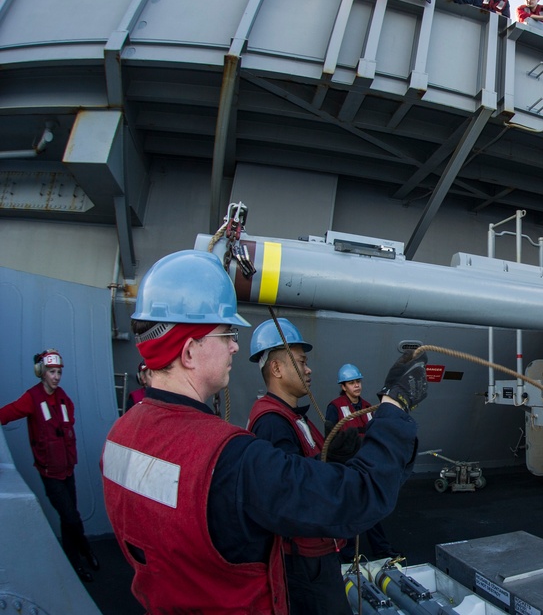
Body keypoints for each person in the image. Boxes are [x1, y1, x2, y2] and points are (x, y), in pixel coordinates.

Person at [101, 250, 426, 613]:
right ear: (190, 352)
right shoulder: (230, 457)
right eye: (226, 334)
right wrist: (395, 407)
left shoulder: (120, 434)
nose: (235, 346)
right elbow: (355, 498)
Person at [247, 318, 360, 615]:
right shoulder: (272, 423)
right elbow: (286, 492)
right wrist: (331, 460)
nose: (309, 370)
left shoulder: (294, 417)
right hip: (303, 561)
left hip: (317, 552)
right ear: (277, 369)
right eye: (301, 362)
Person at [1, 349, 99, 583]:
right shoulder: (31, 398)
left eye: (58, 372)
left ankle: (75, 559)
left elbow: (69, 420)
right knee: (71, 517)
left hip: (67, 470)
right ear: (41, 373)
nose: (56, 377)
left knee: (69, 518)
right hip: (50, 474)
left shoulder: (63, 397)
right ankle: (84, 551)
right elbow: (6, 413)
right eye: (52, 372)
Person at [326, 363, 400, 562]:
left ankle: (382, 550)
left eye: (358, 381)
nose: (356, 385)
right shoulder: (335, 407)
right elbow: (331, 438)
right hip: (346, 465)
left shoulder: (368, 406)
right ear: (343, 386)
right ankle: (349, 554)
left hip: (366, 464)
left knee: (370, 508)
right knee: (351, 509)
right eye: (352, 383)